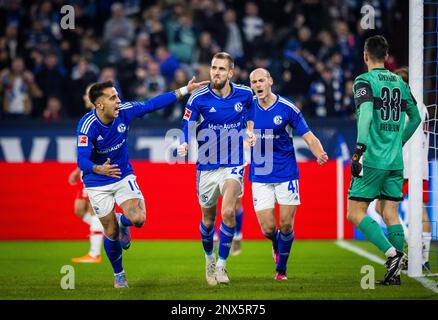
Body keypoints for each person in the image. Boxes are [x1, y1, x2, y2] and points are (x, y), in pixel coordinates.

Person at [76, 77, 208, 288]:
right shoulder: (87, 124)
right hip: (97, 181)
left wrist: (185, 89)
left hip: (121, 174)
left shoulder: (125, 111)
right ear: (99, 104)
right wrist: (97, 168)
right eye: (112, 98)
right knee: (109, 232)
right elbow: (81, 159)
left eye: (117, 96)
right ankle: (119, 274)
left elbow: (152, 104)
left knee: (138, 219)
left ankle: (124, 222)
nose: (118, 101)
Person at [346, 35, 421, 285]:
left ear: (365, 56)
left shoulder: (364, 81)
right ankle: (395, 275)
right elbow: (416, 118)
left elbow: (366, 114)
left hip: (373, 159)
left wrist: (359, 149)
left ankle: (392, 255)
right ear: (387, 57)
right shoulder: (400, 82)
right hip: (395, 162)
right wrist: (398, 142)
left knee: (354, 212)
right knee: (390, 213)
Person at [177, 52, 256, 286]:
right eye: (214, 68)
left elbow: (250, 111)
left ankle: (222, 265)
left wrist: (249, 130)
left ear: (230, 72)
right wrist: (184, 140)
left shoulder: (244, 93)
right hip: (207, 167)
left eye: (221, 69)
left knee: (229, 211)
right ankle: (209, 258)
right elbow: (187, 123)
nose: (216, 72)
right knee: (208, 221)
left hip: (234, 163)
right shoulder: (198, 97)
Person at [248, 68, 328, 280]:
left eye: (261, 80)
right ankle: (275, 243)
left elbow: (309, 136)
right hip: (260, 175)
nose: (257, 85)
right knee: (268, 229)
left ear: (270, 81)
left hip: (286, 173)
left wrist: (319, 152)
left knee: (286, 225)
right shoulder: (247, 109)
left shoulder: (287, 108)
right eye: (254, 82)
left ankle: (281, 270)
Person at [374, 66, 432, 274]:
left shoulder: (399, 103)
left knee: (383, 209)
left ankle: (411, 248)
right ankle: (423, 257)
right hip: (421, 165)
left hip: (402, 165)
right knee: (420, 209)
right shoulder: (423, 106)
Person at [70, 83, 104, 263]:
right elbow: (88, 150)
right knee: (78, 210)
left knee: (93, 210)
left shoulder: (98, 119)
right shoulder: (88, 118)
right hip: (86, 170)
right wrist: (78, 170)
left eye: (86, 94)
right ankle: (110, 227)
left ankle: (94, 253)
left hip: (95, 172)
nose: (84, 97)